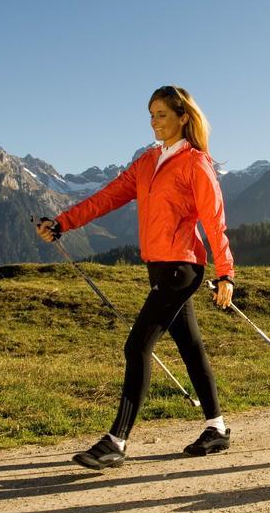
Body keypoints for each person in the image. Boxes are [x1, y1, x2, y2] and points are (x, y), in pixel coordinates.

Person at [36, 85, 235, 470]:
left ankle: (116, 441)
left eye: (161, 114)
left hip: (182, 268)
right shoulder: (148, 162)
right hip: (157, 267)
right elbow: (108, 196)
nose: (154, 122)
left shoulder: (196, 163)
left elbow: (214, 220)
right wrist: (64, 222)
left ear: (182, 117)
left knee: (136, 347)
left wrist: (226, 273)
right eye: (151, 115)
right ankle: (217, 428)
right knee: (190, 346)